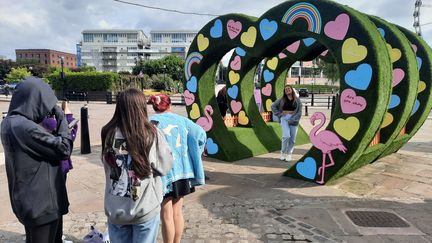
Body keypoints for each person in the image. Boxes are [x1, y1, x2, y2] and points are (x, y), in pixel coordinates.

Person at [1, 77, 73, 243]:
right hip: (41, 204)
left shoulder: (9, 122)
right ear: (34, 99)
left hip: (32, 200)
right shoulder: (22, 126)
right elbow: (64, 149)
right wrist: (62, 118)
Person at [101, 88, 173, 243]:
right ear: (141, 107)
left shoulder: (108, 133)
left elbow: (107, 164)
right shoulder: (151, 134)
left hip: (116, 209)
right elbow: (165, 166)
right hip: (144, 207)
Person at [147, 94, 206, 243]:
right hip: (182, 171)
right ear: (169, 105)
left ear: (154, 106)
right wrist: (193, 154)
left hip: (163, 173)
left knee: (166, 214)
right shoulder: (182, 121)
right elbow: (200, 134)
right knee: (177, 212)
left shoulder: (149, 122)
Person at [271, 84, 303, 161]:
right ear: (284, 92)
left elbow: (299, 112)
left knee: (292, 139)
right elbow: (273, 106)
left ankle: (289, 154)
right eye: (286, 89)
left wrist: (293, 119)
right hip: (284, 118)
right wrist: (279, 114)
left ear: (292, 90)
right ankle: (283, 152)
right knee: (286, 136)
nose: (287, 90)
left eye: (289, 88)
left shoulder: (297, 100)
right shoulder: (281, 99)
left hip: (294, 120)